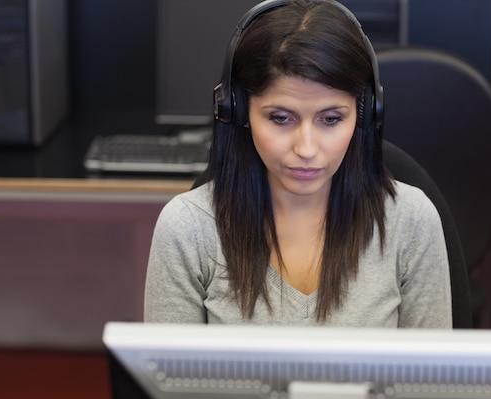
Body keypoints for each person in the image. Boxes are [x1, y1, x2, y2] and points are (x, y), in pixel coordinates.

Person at [144, 0, 452, 328]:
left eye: (331, 119)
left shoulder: (412, 222)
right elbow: (165, 380)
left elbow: (430, 379)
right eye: (280, 118)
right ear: (237, 110)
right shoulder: (187, 229)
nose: (306, 148)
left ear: (365, 112)